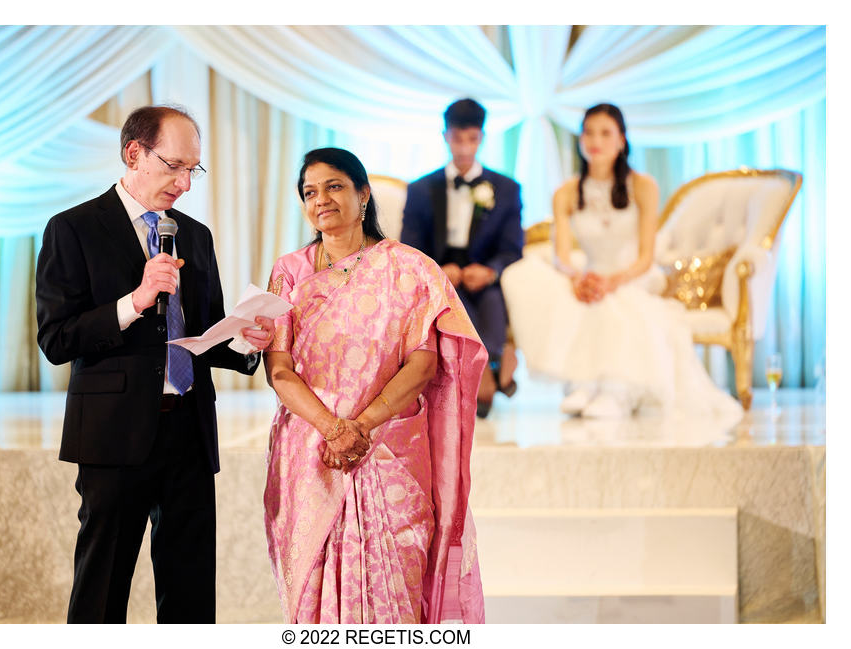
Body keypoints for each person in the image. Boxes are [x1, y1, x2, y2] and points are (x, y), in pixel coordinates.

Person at [35, 105, 276, 623]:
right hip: (114, 436)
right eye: (174, 166)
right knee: (102, 588)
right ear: (134, 154)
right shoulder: (73, 229)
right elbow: (56, 338)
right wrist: (135, 301)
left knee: (189, 593)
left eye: (194, 169)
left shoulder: (194, 234)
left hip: (189, 431)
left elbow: (203, 333)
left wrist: (246, 341)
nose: (185, 183)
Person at [262, 147, 486, 624]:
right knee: (313, 594)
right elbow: (278, 368)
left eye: (334, 186)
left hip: (389, 450)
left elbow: (422, 365)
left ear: (364, 194)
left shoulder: (411, 270)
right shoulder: (289, 272)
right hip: (311, 451)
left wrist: (360, 426)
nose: (321, 199)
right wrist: (333, 428)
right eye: (309, 192)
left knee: (395, 592)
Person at [502, 103, 742, 419]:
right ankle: (585, 383)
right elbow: (561, 256)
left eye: (605, 133)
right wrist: (577, 278)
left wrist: (612, 281)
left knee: (616, 303)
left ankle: (614, 389)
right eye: (588, 132)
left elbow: (646, 256)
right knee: (539, 282)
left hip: (633, 274)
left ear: (622, 140)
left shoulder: (643, 186)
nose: (595, 140)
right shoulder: (566, 192)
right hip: (589, 275)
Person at [400, 98, 524, 417]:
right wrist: (438, 271)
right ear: (445, 136)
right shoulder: (421, 189)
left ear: (482, 137)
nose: (465, 148)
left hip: (482, 273)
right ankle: (491, 377)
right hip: (442, 275)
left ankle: (487, 371)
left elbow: (513, 247)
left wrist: (491, 271)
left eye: (472, 139)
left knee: (493, 304)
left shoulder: (507, 188)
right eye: (458, 139)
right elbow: (410, 247)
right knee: (457, 307)